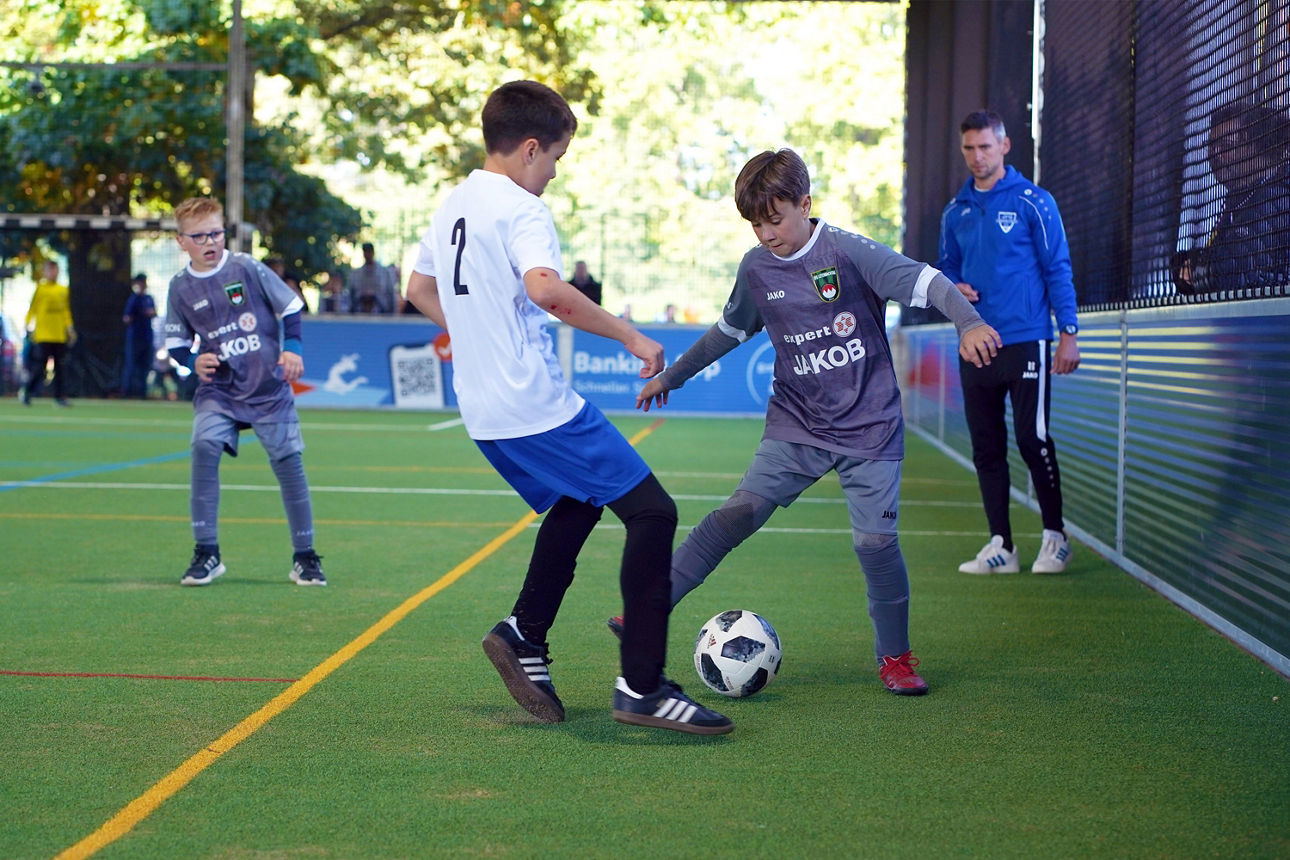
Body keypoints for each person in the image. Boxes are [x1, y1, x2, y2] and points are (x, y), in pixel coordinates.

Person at [609, 148, 1002, 696]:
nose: (767, 233)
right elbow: (728, 331)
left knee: (874, 545)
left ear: (805, 204)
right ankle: (649, 609)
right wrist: (671, 377)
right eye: (755, 224)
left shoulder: (846, 251)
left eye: (775, 219)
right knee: (736, 515)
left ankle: (896, 658)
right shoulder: (756, 268)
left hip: (870, 428)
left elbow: (928, 282)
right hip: (797, 424)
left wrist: (970, 323)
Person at [404, 80, 731, 735]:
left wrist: (475, 336)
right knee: (653, 513)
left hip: (485, 410)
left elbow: (417, 289)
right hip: (533, 403)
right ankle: (642, 686)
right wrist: (632, 335)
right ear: (529, 149)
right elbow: (548, 291)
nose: (554, 172)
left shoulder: (454, 203)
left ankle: (525, 632)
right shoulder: (522, 209)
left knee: (576, 501)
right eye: (555, 156)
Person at [937, 109, 1080, 575]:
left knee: (1031, 438)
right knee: (986, 446)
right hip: (975, 341)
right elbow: (947, 269)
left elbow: (1057, 267)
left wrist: (1068, 334)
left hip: (1026, 340)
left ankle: (1056, 538)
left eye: (985, 147)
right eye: (969, 148)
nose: (977, 157)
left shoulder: (1033, 201)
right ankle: (1002, 544)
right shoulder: (954, 211)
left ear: (1004, 146)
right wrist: (954, 287)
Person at [163, 197, 326, 587]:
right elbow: (175, 344)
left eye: (216, 233)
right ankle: (207, 553)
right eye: (199, 235)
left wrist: (293, 349)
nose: (210, 241)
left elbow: (291, 308)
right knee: (203, 448)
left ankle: (305, 557)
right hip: (218, 391)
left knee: (289, 463)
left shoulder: (246, 267)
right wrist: (191, 361)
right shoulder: (179, 288)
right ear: (181, 241)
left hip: (267, 386)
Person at [1172, 100, 1290, 295]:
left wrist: (1198, 270)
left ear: (1256, 147)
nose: (1214, 155)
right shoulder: (1241, 199)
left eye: (1225, 146)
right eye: (1211, 146)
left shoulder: (1275, 198)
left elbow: (1236, 272)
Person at [21, 260, 75, 406]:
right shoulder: (40, 289)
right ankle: (27, 393)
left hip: (59, 335)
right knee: (39, 367)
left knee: (60, 368)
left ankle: (60, 397)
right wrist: (27, 324)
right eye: (50, 270)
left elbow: (65, 312)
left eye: (55, 270)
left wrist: (69, 328)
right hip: (43, 335)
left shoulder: (63, 290)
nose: (53, 273)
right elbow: (32, 309)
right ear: (45, 272)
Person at [119, 273, 156, 398]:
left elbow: (153, 313)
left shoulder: (149, 298)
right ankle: (126, 391)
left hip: (147, 337)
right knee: (131, 364)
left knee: (145, 365)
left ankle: (142, 392)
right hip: (134, 338)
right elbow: (127, 318)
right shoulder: (133, 299)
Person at [351, 242, 398, 313]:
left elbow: (391, 294)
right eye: (365, 252)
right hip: (360, 313)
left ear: (373, 252)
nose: (367, 254)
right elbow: (352, 295)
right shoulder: (356, 274)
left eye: (369, 251)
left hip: (381, 313)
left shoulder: (385, 273)